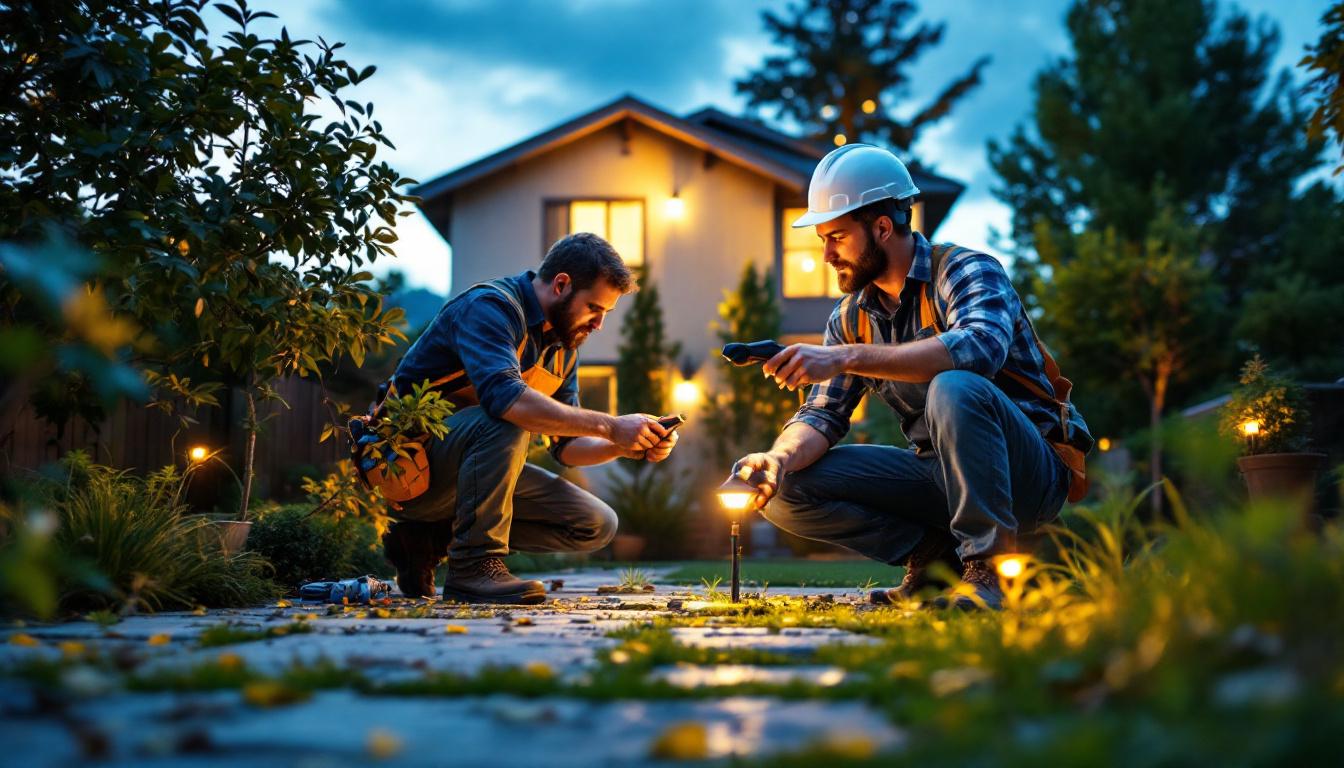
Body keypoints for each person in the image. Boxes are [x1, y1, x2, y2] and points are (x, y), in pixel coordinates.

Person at [732, 144, 1092, 609]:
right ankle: (935, 563)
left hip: (1028, 472)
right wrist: (777, 457)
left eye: (837, 237)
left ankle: (991, 570)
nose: (826, 255)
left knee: (955, 383)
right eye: (823, 239)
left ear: (882, 227)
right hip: (939, 474)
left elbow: (978, 348)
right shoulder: (850, 318)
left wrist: (845, 358)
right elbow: (820, 416)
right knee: (784, 487)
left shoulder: (965, 270)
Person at [373, 233, 678, 604]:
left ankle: (428, 540)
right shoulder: (490, 308)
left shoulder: (563, 349)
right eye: (594, 308)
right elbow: (506, 401)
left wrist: (624, 444)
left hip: (470, 473)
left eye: (605, 314)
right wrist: (612, 424)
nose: (598, 324)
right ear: (562, 284)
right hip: (407, 470)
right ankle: (474, 566)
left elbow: (566, 448)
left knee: (596, 524)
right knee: (509, 416)